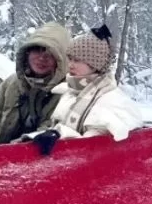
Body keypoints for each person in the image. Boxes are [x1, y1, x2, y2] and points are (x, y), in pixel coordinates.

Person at [27, 25, 144, 153]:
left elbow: (93, 147)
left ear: (95, 65)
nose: (70, 65)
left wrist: (59, 134)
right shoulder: (71, 93)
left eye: (77, 60)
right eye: (70, 58)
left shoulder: (109, 99)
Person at [0, 22, 70, 144]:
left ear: (60, 60)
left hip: (40, 158)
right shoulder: (12, 83)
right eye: (37, 50)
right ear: (27, 53)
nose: (41, 58)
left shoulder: (66, 91)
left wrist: (14, 150)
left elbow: (52, 128)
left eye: (50, 54)